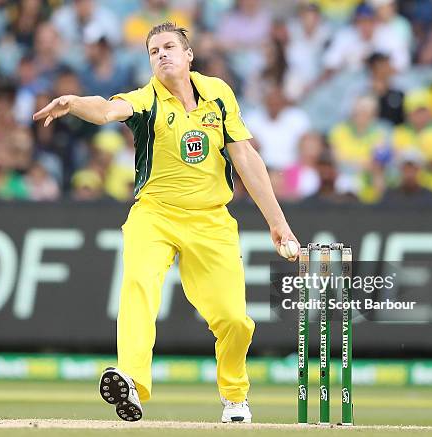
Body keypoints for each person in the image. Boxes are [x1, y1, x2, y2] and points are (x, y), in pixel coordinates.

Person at [33, 21, 299, 424]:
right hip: (154, 215)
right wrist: (73, 102)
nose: (162, 54)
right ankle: (131, 383)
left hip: (210, 220)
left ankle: (235, 397)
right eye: (154, 51)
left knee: (233, 318)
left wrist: (277, 222)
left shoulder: (218, 94)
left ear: (189, 55)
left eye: (169, 46)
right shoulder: (146, 99)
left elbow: (246, 158)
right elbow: (107, 110)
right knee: (138, 284)